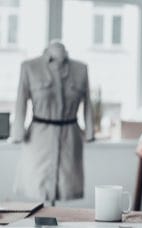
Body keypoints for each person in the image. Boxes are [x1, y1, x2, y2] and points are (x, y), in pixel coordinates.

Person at [11, 40, 94, 205]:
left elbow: (88, 104)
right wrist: (18, 133)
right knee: (39, 187)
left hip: (69, 136)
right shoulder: (29, 67)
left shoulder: (81, 69)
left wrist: (90, 132)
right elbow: (20, 102)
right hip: (39, 138)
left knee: (64, 185)